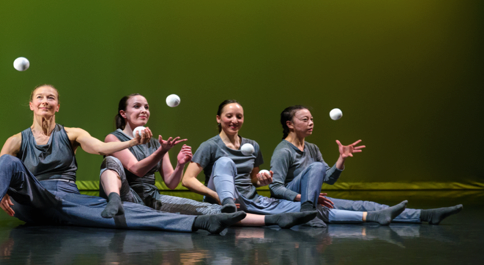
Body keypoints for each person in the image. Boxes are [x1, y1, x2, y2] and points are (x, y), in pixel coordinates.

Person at [0, 85, 247, 234]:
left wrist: (131, 141)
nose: (45, 101)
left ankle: (200, 224)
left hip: (65, 201)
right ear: (31, 104)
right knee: (9, 164)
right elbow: (3, 170)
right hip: (31, 200)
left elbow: (102, 149)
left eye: (51, 98)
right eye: (40, 97)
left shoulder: (73, 133)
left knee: (124, 213)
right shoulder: (16, 140)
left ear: (57, 105)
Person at [98, 94, 316, 228]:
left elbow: (171, 183)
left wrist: (181, 163)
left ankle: (273, 220)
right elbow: (135, 169)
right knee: (111, 162)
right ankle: (114, 200)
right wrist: (161, 152)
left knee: (210, 211)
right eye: (137, 106)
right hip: (128, 195)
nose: (144, 110)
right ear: (123, 113)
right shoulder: (114, 138)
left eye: (146, 106)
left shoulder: (156, 142)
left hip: (152, 197)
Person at [182, 100, 408, 226]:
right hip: (223, 199)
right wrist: (218, 197)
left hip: (251, 199)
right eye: (229, 116)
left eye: (238, 116)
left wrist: (261, 179)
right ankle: (228, 206)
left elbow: (253, 180)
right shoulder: (210, 145)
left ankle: (374, 216)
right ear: (218, 119)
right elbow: (187, 179)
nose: (234, 120)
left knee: (308, 210)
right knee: (223, 162)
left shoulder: (252, 145)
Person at [269, 105, 462, 225]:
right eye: (305, 119)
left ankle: (425, 215)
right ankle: (309, 213)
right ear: (290, 124)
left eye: (312, 119)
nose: (311, 123)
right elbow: (275, 188)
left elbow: (328, 179)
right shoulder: (283, 151)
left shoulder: (312, 148)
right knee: (318, 170)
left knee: (367, 205)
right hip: (292, 204)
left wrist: (341, 159)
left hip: (313, 199)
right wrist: (305, 198)